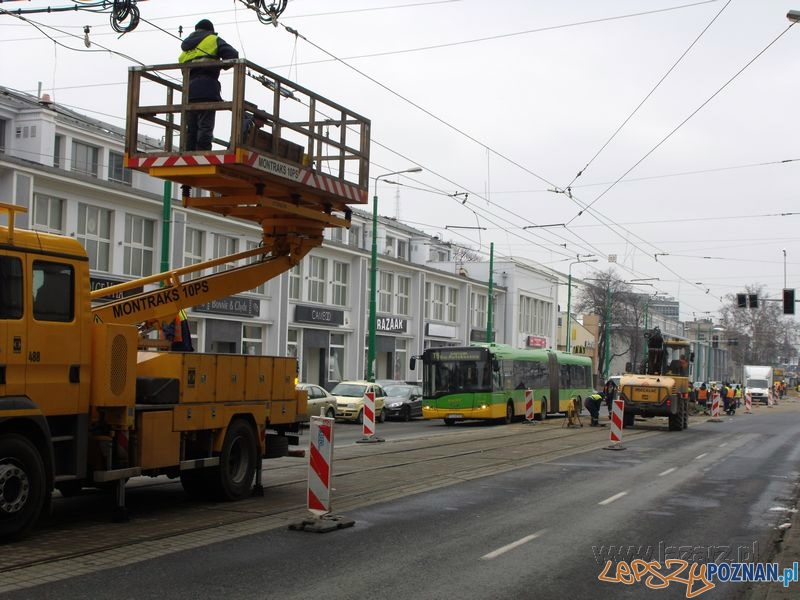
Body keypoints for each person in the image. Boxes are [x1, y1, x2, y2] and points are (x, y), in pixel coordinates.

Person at [179, 19, 239, 151]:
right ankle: (202, 154)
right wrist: (221, 65)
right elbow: (233, 55)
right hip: (207, 89)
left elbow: (183, 70)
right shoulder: (212, 39)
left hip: (189, 92)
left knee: (191, 129)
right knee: (205, 127)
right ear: (210, 30)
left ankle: (189, 155)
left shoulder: (185, 50)